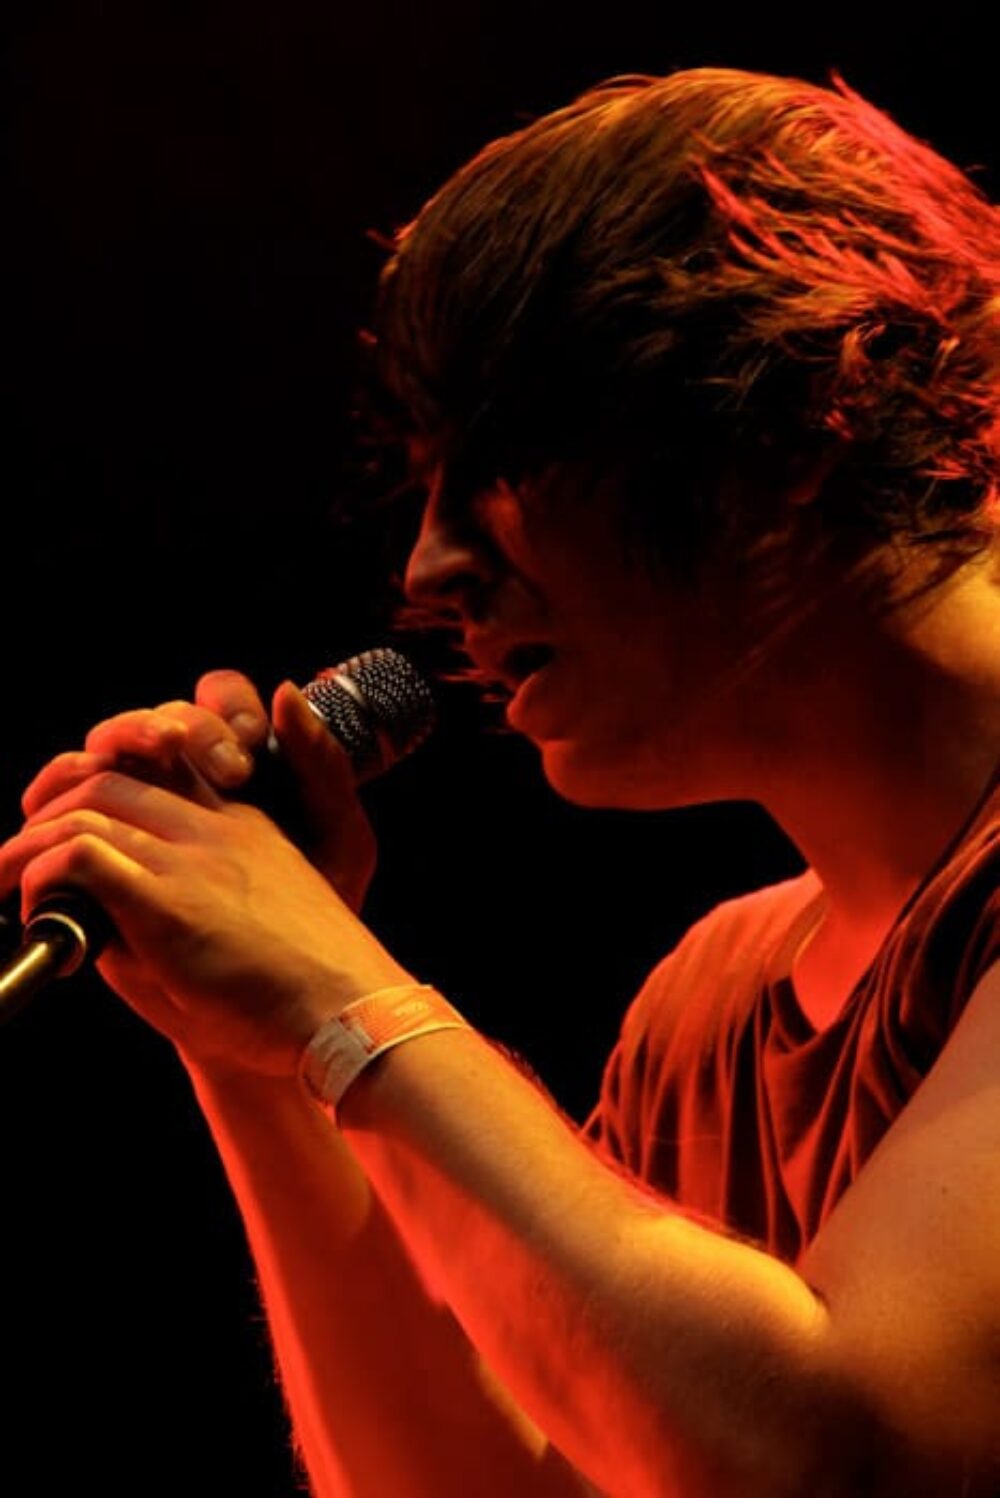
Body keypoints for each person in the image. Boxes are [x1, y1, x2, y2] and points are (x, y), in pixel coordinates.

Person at [1, 65, 999, 1496]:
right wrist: (256, 1047)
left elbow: (843, 1462)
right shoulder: (705, 1009)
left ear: (806, 416)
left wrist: (337, 994)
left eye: (507, 459)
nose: (428, 568)